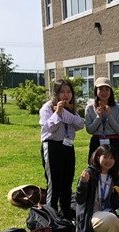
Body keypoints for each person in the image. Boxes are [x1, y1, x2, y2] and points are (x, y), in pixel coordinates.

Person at [85, 78, 119, 223]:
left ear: (110, 91)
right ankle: (93, 209)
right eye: (101, 89)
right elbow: (89, 129)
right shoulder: (90, 108)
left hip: (114, 142)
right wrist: (99, 116)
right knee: (96, 177)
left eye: (107, 89)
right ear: (96, 91)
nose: (104, 92)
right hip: (97, 142)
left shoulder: (117, 107)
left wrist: (109, 115)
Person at [39, 79, 84, 220]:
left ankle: (65, 213)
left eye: (69, 92)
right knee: (54, 182)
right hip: (52, 146)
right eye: (62, 92)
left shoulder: (71, 108)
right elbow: (49, 128)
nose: (66, 95)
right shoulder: (47, 108)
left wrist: (66, 114)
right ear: (56, 93)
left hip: (68, 146)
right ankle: (50, 215)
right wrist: (58, 113)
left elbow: (80, 124)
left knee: (67, 180)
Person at [75, 145, 119, 232]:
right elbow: (79, 199)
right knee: (111, 218)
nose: (108, 161)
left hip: (106, 214)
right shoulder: (89, 173)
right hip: (90, 217)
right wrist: (83, 184)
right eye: (105, 157)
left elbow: (113, 204)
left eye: (112, 158)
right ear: (98, 157)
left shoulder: (113, 177)